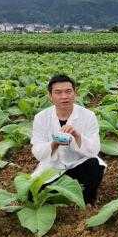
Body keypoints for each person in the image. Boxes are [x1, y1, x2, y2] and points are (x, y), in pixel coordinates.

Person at [30, 74, 106, 205]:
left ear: (75, 93)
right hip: (52, 168)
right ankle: (66, 198)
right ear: (50, 96)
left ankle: (87, 201)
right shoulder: (41, 118)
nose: (64, 96)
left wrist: (77, 136)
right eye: (58, 92)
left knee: (95, 165)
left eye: (68, 91)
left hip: (77, 164)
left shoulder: (88, 116)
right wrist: (54, 144)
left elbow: (94, 149)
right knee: (30, 195)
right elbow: (37, 151)